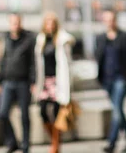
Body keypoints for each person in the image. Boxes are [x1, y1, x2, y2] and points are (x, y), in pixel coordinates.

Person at [95, 9, 126, 153]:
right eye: (107, 19)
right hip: (107, 79)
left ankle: (111, 143)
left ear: (115, 20)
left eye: (112, 19)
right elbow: (99, 58)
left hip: (122, 78)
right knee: (119, 111)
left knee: (117, 110)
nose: (110, 22)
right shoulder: (100, 38)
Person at [34, 11, 75, 153]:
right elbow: (37, 64)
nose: (50, 25)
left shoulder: (62, 40)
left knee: (58, 113)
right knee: (43, 111)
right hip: (45, 81)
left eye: (52, 22)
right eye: (47, 22)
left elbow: (69, 63)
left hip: (59, 81)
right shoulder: (41, 41)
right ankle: (54, 140)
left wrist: (70, 85)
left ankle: (56, 145)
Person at [0, 13, 36, 153]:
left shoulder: (29, 38)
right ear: (9, 23)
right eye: (13, 22)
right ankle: (12, 142)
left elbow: (33, 62)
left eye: (17, 22)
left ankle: (25, 145)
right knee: (2, 113)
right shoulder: (5, 38)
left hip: (23, 82)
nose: (15, 25)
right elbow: (3, 60)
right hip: (7, 81)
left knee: (25, 115)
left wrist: (33, 81)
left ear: (21, 23)